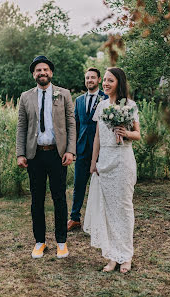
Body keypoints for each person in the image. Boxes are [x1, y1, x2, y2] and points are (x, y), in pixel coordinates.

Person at [16, 55, 75, 259]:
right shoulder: (25, 97)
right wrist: (20, 153)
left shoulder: (64, 94)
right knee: (36, 200)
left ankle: (61, 242)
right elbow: (21, 127)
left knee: (59, 199)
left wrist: (70, 150)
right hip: (35, 156)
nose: (42, 73)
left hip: (58, 155)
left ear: (51, 72)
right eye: (38, 70)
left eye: (45, 69)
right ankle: (40, 242)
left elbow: (71, 124)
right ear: (34, 74)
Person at [83, 67, 141, 273]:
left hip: (123, 160)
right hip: (104, 161)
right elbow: (98, 137)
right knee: (107, 210)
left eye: (110, 80)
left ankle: (126, 256)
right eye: (104, 80)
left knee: (123, 209)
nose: (105, 83)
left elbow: (138, 135)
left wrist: (125, 132)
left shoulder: (130, 105)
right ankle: (112, 256)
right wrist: (93, 162)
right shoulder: (102, 105)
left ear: (119, 82)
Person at [68, 67, 108, 231]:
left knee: (103, 185)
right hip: (82, 148)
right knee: (79, 185)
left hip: (103, 148)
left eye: (92, 77)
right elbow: (75, 125)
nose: (89, 80)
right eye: (87, 78)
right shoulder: (78, 100)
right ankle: (75, 218)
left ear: (99, 80)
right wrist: (72, 148)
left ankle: (103, 219)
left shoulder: (106, 98)